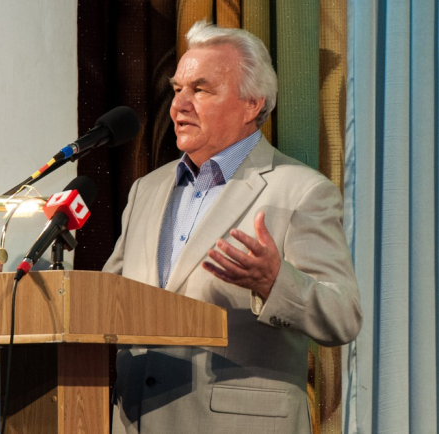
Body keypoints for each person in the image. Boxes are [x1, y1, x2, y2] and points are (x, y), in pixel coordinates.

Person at [103, 21, 362, 434]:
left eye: (200, 90)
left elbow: (343, 315)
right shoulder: (146, 190)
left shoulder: (302, 191)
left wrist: (275, 283)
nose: (179, 105)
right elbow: (109, 296)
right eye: (177, 89)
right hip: (135, 420)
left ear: (252, 105)